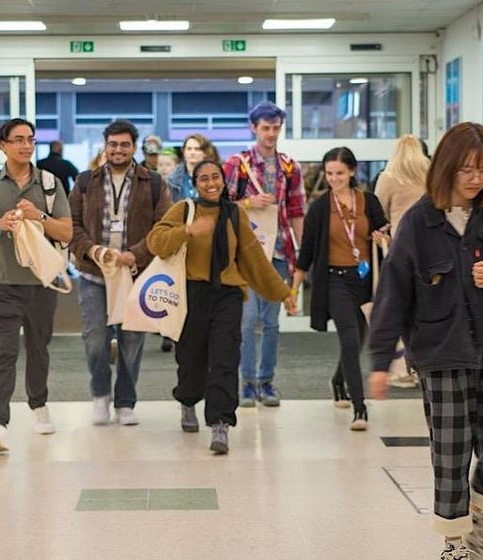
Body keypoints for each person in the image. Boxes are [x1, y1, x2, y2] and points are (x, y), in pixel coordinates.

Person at [367, 122, 483, 560]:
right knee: (452, 450)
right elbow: (394, 293)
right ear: (446, 167)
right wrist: (380, 361)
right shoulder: (420, 221)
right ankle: (454, 544)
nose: (476, 178)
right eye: (466, 169)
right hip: (440, 352)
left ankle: (477, 510)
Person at [147, 160, 295, 453]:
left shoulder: (234, 214)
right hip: (192, 294)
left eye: (216, 177)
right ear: (195, 183)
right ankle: (188, 400)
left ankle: (220, 423)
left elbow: (254, 258)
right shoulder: (184, 210)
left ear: (223, 181)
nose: (211, 183)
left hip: (227, 295)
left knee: (225, 358)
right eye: (204, 178)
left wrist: (282, 292)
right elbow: (156, 242)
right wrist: (187, 231)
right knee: (191, 359)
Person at [0, 118, 73, 455]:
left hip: (41, 282)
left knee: (39, 346)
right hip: (3, 283)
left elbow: (66, 232)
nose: (26, 145)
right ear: (2, 145)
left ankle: (39, 404)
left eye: (30, 139)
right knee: (5, 351)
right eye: (18, 140)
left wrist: (39, 217)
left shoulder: (49, 184)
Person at [70, 120, 171, 426]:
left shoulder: (152, 182)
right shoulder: (85, 181)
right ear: (105, 145)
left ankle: (126, 401)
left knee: (131, 340)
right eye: (113, 144)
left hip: (133, 275)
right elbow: (71, 225)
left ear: (134, 147)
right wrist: (92, 250)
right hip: (93, 275)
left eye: (124, 144)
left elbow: (163, 227)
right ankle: (101, 395)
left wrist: (135, 254)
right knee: (95, 339)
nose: (118, 149)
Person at [291, 148, 388, 428]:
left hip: (366, 279)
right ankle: (360, 408)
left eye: (340, 173)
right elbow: (306, 252)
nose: (334, 179)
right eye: (330, 173)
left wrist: (381, 234)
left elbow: (384, 229)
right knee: (348, 339)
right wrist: (294, 290)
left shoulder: (368, 201)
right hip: (334, 280)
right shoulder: (320, 208)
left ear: (352, 172)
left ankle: (337, 380)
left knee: (358, 341)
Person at [223, 102, 306, 407]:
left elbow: (297, 211)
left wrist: (302, 253)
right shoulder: (237, 164)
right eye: (265, 128)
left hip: (280, 252)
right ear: (254, 128)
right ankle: (246, 382)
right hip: (246, 253)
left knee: (271, 322)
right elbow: (220, 205)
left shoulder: (290, 167)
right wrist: (249, 202)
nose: (271, 134)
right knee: (246, 321)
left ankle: (266, 381)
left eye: (275, 128)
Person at [373, 134, 431, 389]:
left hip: (400, 248)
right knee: (426, 310)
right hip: (430, 250)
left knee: (398, 307)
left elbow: (378, 212)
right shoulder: (430, 173)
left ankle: (403, 365)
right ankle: (423, 363)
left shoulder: (388, 177)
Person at [169, 133, 211, 203]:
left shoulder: (213, 176)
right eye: (189, 149)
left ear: (205, 153)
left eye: (197, 149)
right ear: (184, 152)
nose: (192, 152)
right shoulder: (172, 178)